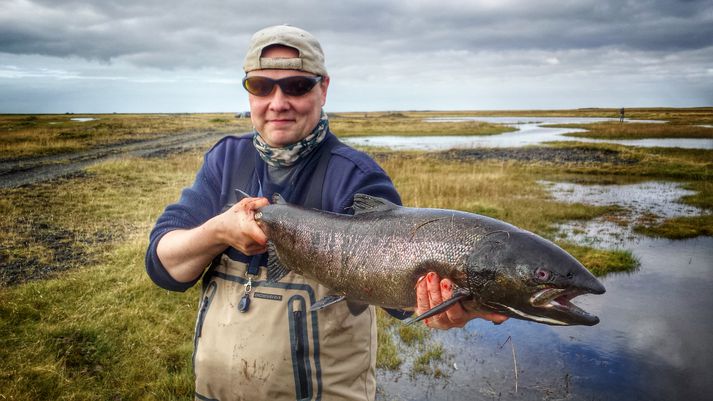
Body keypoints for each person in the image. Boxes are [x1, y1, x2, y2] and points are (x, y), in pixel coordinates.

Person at [145, 25, 506, 401]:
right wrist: (218, 231)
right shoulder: (224, 161)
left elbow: (399, 299)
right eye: (262, 86)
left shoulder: (355, 176)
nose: (278, 101)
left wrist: (443, 305)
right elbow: (164, 266)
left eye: (297, 86)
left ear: (323, 89)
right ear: (248, 91)